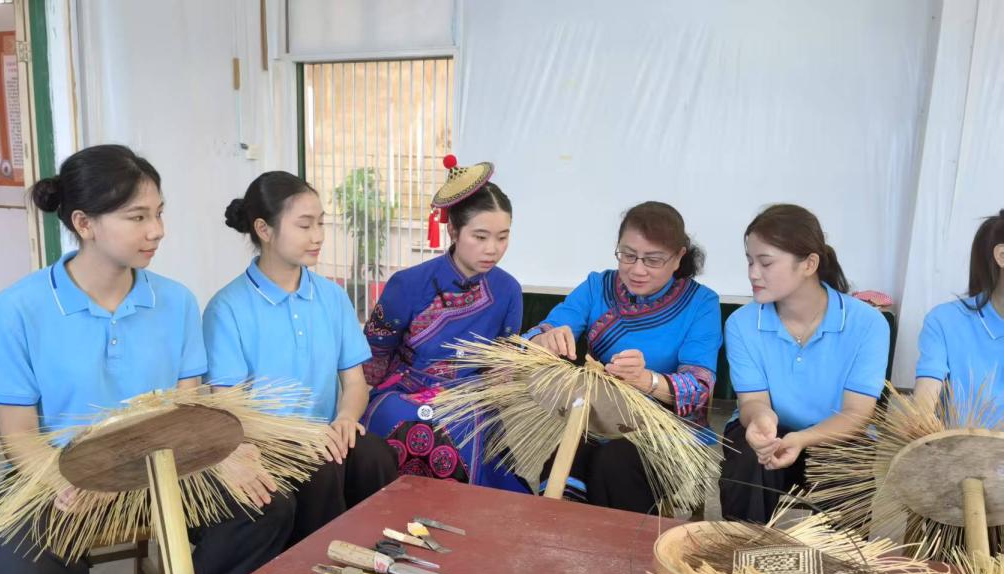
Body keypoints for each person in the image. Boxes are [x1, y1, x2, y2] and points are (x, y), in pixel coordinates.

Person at [0, 145, 292, 574]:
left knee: (266, 504)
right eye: (137, 216)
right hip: (63, 475)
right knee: (17, 561)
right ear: (84, 223)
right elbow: (19, 437)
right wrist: (68, 478)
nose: (157, 231)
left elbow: (187, 409)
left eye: (159, 212)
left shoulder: (174, 301)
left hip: (163, 466)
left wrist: (227, 450)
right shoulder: (18, 309)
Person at [205, 171, 397, 545]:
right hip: (266, 445)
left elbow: (355, 383)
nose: (318, 236)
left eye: (321, 223)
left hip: (326, 433)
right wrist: (300, 436)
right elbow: (227, 410)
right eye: (305, 225)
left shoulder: (332, 297)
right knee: (321, 468)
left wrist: (346, 418)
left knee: (375, 455)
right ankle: (318, 568)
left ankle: (379, 556)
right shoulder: (227, 308)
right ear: (264, 229)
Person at [523, 201, 722, 512]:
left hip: (667, 432)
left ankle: (620, 542)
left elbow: (700, 387)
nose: (637, 269)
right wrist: (544, 339)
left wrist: (646, 380)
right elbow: (541, 331)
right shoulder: (597, 286)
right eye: (628, 256)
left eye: (653, 260)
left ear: (678, 257)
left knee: (615, 464)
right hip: (599, 420)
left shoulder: (701, 303)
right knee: (565, 464)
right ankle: (567, 539)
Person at [361, 157, 524, 489]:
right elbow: (374, 357)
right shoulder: (408, 283)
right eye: (480, 236)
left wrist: (504, 376)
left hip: (470, 401)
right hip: (404, 391)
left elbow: (502, 363)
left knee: (464, 425)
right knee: (403, 417)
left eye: (502, 237)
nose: (492, 249)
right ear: (453, 231)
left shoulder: (508, 290)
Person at [720, 204, 889, 522]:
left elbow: (857, 413)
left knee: (848, 471)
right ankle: (742, 547)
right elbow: (753, 401)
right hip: (774, 433)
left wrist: (802, 439)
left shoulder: (867, 323)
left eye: (766, 262)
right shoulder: (742, 323)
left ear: (809, 264)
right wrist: (761, 420)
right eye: (750, 261)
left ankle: (839, 555)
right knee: (747, 457)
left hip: (838, 436)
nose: (753, 273)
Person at [913, 210, 1004, 422]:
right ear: (1001, 256)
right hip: (958, 443)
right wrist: (922, 420)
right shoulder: (945, 321)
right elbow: (922, 412)